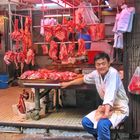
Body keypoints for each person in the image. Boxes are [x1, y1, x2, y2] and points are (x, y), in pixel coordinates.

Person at [60, 52, 129, 140]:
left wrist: (106, 114)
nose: (101, 66)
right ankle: (102, 137)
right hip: (106, 108)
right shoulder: (96, 73)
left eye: (103, 64)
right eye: (98, 64)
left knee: (102, 124)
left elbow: (109, 95)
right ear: (95, 66)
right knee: (86, 122)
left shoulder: (113, 73)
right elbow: (83, 79)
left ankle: (103, 136)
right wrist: (68, 83)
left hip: (120, 109)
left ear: (108, 63)